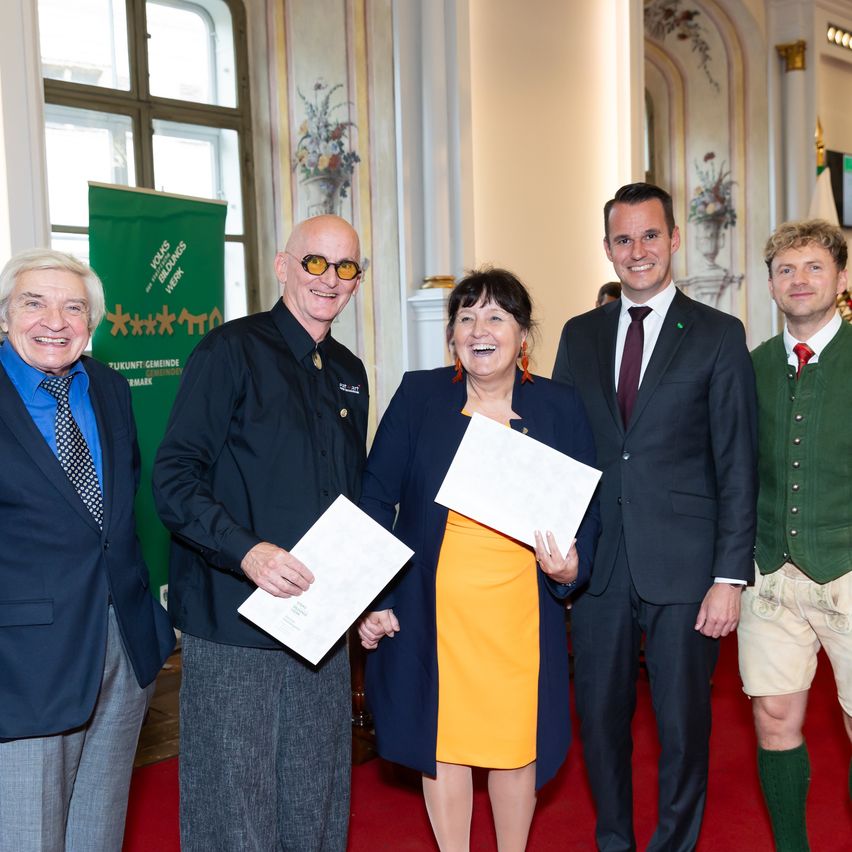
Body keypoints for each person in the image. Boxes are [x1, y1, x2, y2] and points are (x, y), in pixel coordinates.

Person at [357, 268, 600, 851]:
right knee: (445, 744)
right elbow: (374, 499)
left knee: (516, 745)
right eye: (465, 317)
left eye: (496, 317)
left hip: (520, 614)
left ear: (523, 336)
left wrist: (572, 568)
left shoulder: (561, 407)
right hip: (434, 615)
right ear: (451, 336)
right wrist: (375, 597)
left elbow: (586, 515)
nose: (479, 329)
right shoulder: (419, 397)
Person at [152, 214, 368, 852]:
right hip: (234, 619)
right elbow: (174, 477)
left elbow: (348, 498)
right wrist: (246, 551)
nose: (330, 279)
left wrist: (364, 595)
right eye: (315, 263)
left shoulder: (348, 370)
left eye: (346, 267)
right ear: (283, 266)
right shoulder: (229, 351)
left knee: (317, 795)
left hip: (320, 623)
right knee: (234, 807)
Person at [553, 182, 757, 851]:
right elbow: (564, 453)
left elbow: (736, 461)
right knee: (601, 721)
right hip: (599, 568)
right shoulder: (578, 336)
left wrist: (729, 576)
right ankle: (614, 839)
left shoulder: (718, 334)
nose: (636, 251)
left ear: (674, 240)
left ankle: (674, 844)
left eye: (648, 236)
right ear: (607, 248)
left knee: (682, 725)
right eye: (622, 239)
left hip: (687, 568)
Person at [0, 249, 175, 852]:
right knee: (29, 835)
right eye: (34, 302)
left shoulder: (109, 386)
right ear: (4, 317)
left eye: (73, 307)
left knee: (98, 833)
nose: (56, 319)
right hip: (24, 662)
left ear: (91, 322)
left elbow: (118, 510)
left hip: (123, 647)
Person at [737, 219, 851, 851]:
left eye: (813, 267)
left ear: (841, 277)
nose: (799, 279)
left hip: (849, 567)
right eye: (785, 269)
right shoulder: (748, 367)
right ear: (772, 284)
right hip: (770, 572)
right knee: (773, 716)